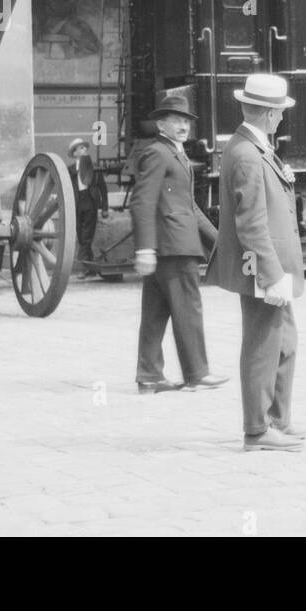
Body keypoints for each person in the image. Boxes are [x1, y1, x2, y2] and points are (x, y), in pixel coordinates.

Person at [205, 74, 306, 452]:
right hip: (265, 266)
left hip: (273, 265)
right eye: (279, 112)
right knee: (263, 345)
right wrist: (271, 274)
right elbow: (251, 224)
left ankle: (277, 419)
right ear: (267, 114)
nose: (281, 118)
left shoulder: (253, 146)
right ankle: (257, 429)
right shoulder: (247, 153)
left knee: (284, 342)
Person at [130, 94, 228, 395]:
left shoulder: (174, 153)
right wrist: (145, 248)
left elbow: (190, 206)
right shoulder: (159, 153)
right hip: (174, 245)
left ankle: (149, 376)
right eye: (177, 120)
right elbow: (142, 201)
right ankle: (197, 373)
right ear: (162, 124)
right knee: (188, 308)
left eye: (186, 121)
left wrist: (219, 242)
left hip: (172, 243)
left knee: (156, 313)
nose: (183, 126)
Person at [67, 138, 108, 276]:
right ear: (74, 153)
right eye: (81, 148)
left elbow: (103, 188)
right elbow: (65, 189)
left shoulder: (94, 166)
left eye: (85, 148)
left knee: (87, 236)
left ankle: (82, 267)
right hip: (77, 203)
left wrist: (105, 208)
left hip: (90, 202)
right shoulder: (70, 170)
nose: (84, 150)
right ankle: (91, 268)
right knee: (81, 235)